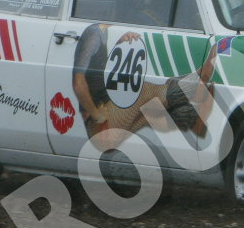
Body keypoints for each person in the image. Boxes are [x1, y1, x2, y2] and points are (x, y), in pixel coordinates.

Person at [72, 23, 217, 151]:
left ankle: (194, 119)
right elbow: (78, 84)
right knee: (143, 89)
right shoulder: (93, 35)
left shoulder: (103, 32)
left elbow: (97, 73)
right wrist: (96, 114)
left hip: (107, 127)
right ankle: (194, 85)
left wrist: (119, 42)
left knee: (152, 110)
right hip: (101, 128)